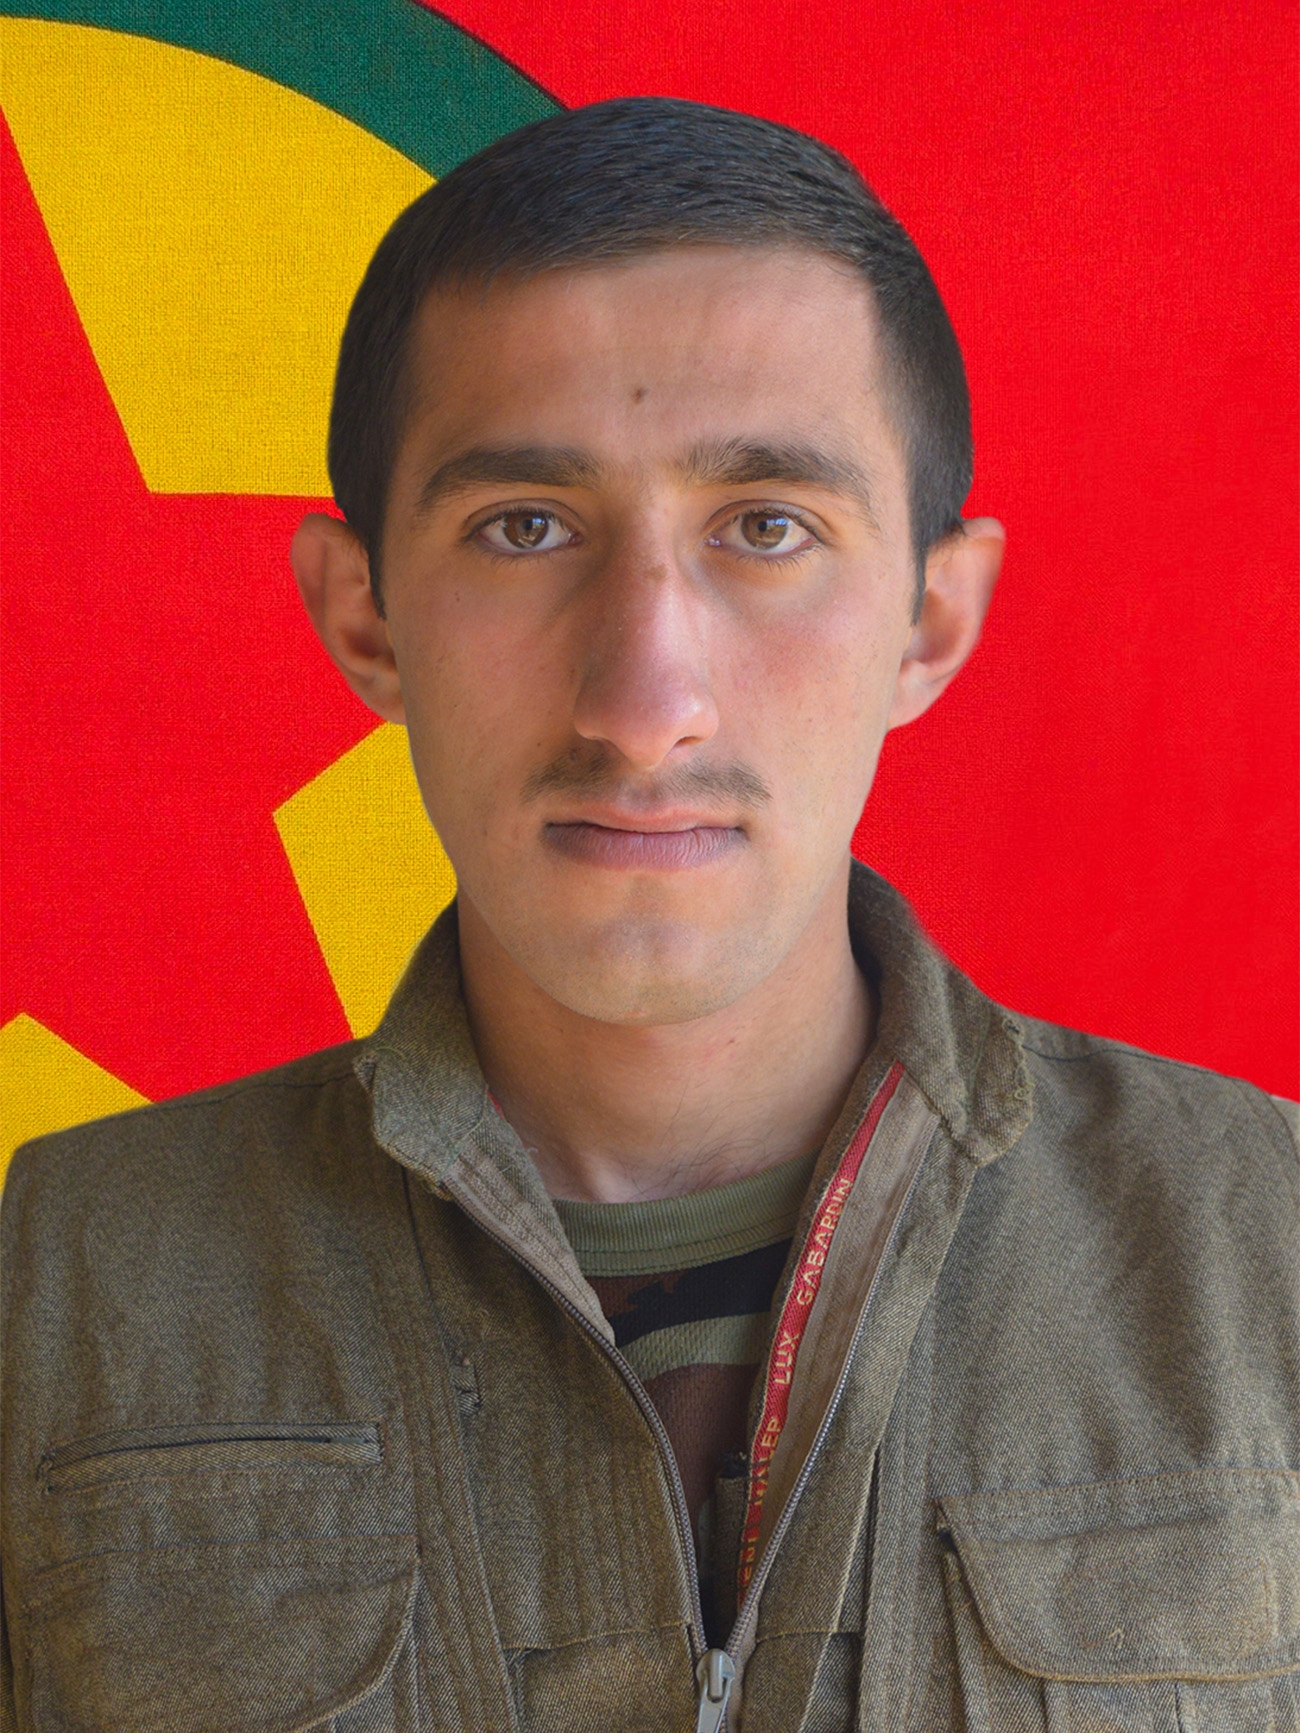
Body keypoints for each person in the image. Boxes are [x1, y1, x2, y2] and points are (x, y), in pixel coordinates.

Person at [2, 97, 1296, 1732]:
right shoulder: (53, 1285)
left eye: (768, 528)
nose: (644, 702)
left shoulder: (1270, 1244)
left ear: (930, 619)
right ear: (365, 617)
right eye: (525, 528)